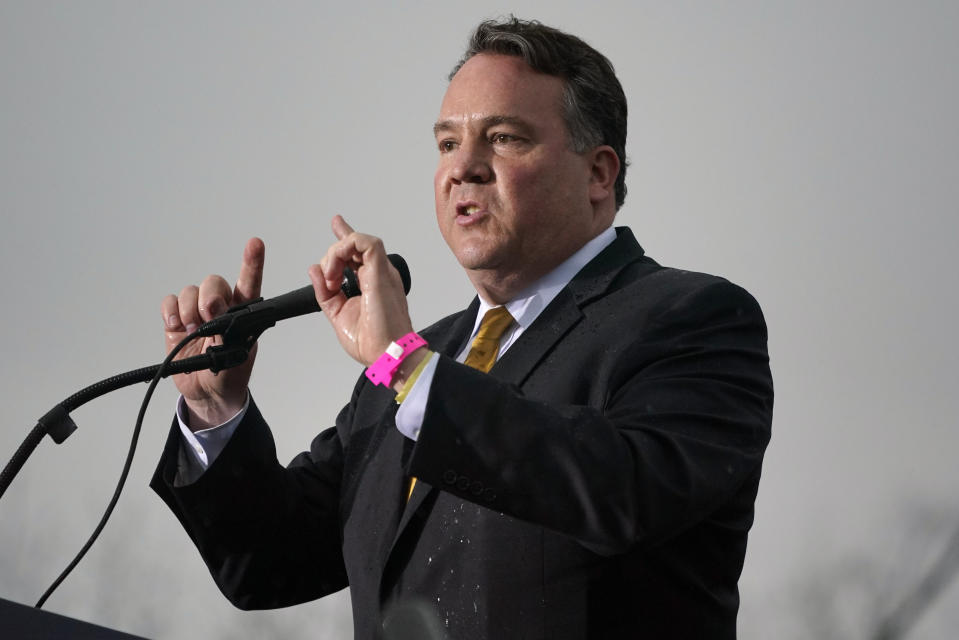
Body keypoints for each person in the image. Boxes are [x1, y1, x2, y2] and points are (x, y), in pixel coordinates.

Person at [152, 17, 773, 640]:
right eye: (447, 144)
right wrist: (217, 407)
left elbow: (624, 493)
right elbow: (270, 564)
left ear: (599, 174)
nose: (463, 169)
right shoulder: (419, 363)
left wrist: (408, 368)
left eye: (503, 138)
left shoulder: (692, 319)